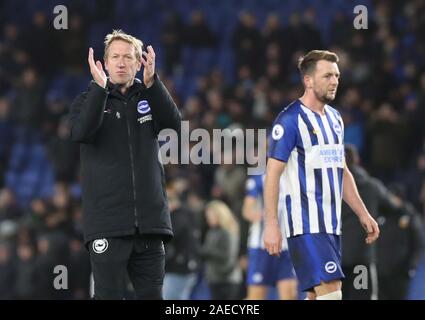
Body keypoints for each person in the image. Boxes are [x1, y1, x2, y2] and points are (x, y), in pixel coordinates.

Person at [68, 29, 181, 299]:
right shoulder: (87, 100)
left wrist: (154, 84)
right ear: (104, 63)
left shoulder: (149, 97)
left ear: (138, 63)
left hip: (150, 225)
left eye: (128, 57)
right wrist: (99, 89)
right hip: (107, 225)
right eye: (115, 57)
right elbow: (81, 133)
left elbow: (173, 126)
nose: (121, 62)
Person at [263, 50, 380, 300]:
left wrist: (362, 213)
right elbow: (272, 174)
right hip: (306, 224)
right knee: (332, 294)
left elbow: (342, 171)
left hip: (331, 225)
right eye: (327, 75)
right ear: (308, 81)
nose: (335, 81)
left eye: (336, 75)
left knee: (318, 296)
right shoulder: (289, 120)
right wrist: (271, 223)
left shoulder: (336, 119)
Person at [243, 173, 297, 300]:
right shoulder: (259, 179)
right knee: (256, 297)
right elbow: (247, 210)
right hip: (262, 247)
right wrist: (260, 216)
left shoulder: (295, 177)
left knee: (290, 295)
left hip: (286, 247)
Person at [200, 200, 243, 300]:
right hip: (214, 279)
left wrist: (207, 252)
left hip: (228, 281)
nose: (208, 219)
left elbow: (229, 257)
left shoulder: (229, 232)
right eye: (207, 216)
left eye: (211, 215)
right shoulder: (211, 232)